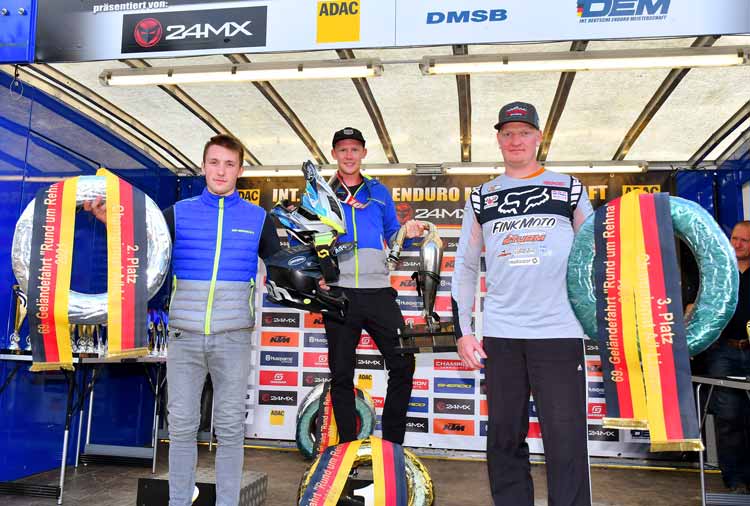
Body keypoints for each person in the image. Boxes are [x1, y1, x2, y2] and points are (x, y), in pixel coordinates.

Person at [87, 134, 281, 506]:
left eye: (229, 164)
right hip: (184, 338)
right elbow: (139, 243)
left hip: (234, 338)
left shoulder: (259, 219)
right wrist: (111, 221)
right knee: (181, 428)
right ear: (203, 166)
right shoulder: (178, 213)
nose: (221, 171)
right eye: (214, 162)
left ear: (240, 170)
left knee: (229, 429)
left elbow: (283, 269)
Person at [451, 102, 594, 506]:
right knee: (504, 438)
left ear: (539, 137)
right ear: (498, 139)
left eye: (524, 132)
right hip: (502, 335)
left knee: (566, 440)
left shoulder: (569, 188)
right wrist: (463, 332)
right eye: (508, 133)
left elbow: (596, 252)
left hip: (559, 332)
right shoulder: (482, 196)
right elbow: (465, 266)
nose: (516, 140)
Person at [322, 127, 425, 445]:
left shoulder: (379, 191)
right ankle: (347, 449)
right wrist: (317, 273)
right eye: (342, 149)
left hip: (378, 291)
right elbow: (309, 238)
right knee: (341, 373)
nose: (349, 155)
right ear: (334, 154)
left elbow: (393, 235)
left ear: (364, 153)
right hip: (339, 293)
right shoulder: (322, 194)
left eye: (354, 149)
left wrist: (409, 233)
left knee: (403, 363)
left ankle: (392, 446)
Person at [705, 221, 750, 493]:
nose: (737, 244)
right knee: (729, 417)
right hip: (724, 351)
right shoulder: (720, 270)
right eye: (734, 238)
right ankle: (735, 480)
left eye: (744, 240)